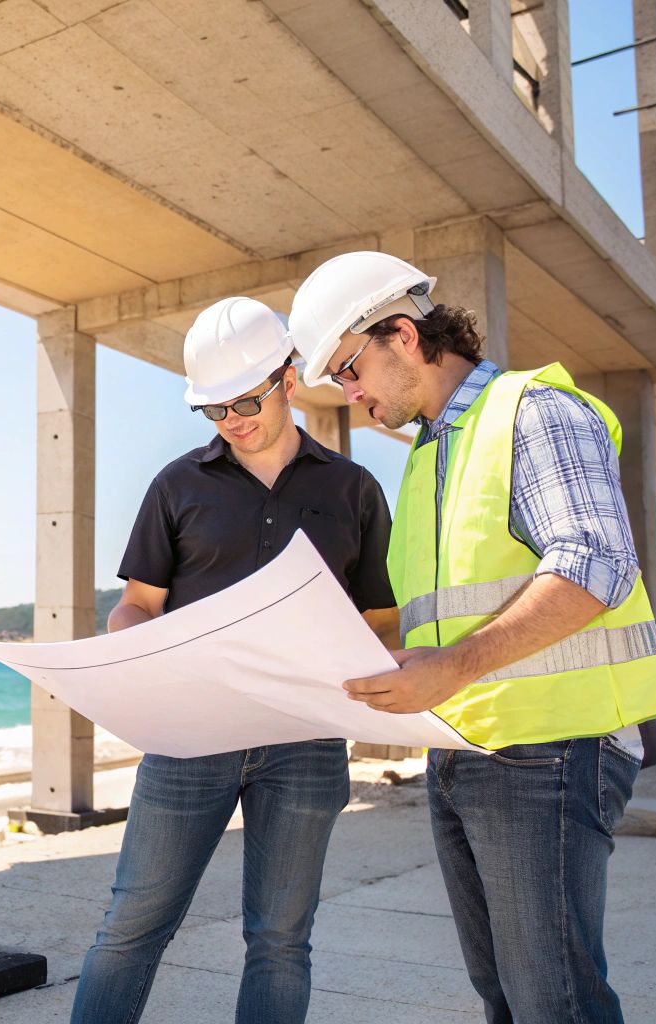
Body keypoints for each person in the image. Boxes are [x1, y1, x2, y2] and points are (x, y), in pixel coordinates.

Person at [288, 251, 656, 1024]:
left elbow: (594, 563)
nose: (349, 394)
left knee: (553, 1003)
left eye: (348, 369)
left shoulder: (532, 412)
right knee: (506, 997)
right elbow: (441, 619)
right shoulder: (431, 456)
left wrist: (454, 667)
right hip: (468, 754)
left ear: (401, 333)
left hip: (553, 753)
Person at [71, 296, 399, 1024]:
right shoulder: (177, 486)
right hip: (191, 736)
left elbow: (382, 623)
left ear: (287, 377)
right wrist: (126, 645)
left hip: (306, 745)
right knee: (131, 929)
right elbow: (138, 604)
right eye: (214, 410)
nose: (232, 421)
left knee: (282, 941)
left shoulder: (353, 490)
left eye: (245, 401)